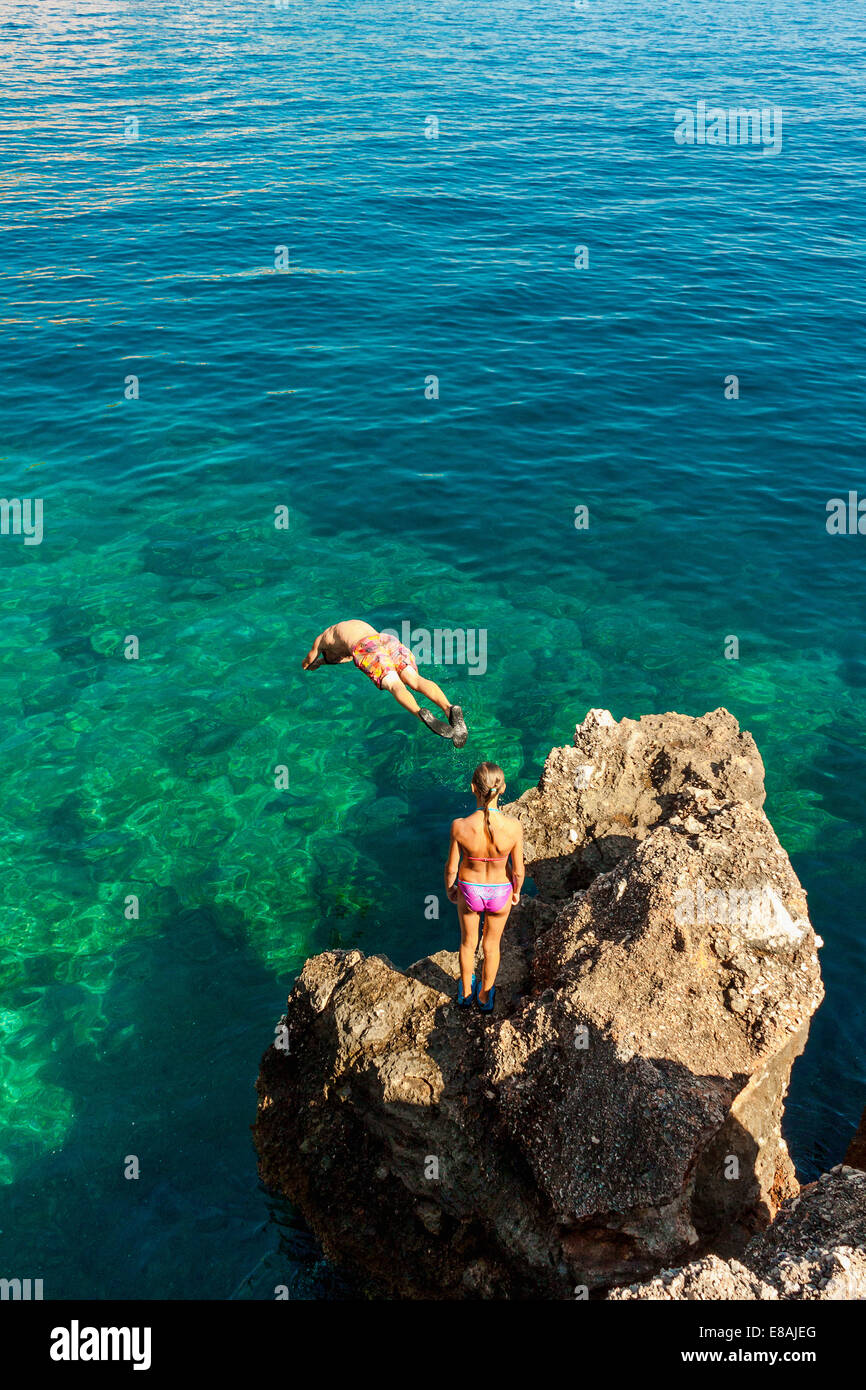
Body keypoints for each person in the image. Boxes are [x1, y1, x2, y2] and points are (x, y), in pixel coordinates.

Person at [302, 619, 468, 746]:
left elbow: (309, 660)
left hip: (366, 647)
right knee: (415, 679)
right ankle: (449, 708)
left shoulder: (322, 639)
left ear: (326, 652)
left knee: (395, 686)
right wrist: (325, 662)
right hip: (386, 639)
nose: (338, 659)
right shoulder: (346, 628)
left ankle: (421, 714)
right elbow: (349, 654)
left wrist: (310, 665)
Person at [444, 762, 524, 1013]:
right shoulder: (513, 827)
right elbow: (518, 870)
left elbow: (451, 868)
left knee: (468, 943)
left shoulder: (459, 825)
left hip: (469, 890)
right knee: (491, 946)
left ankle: (465, 992)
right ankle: (484, 996)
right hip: (500, 891)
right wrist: (517, 891)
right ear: (503, 789)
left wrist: (450, 888)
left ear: (472, 788)